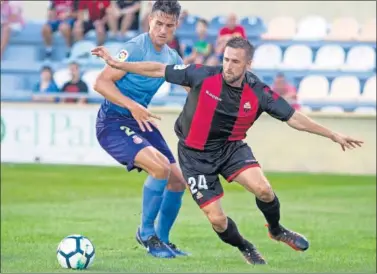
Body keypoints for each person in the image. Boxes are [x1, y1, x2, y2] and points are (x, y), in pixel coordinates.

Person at [91, 36, 364, 265]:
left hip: (231, 149)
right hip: (194, 156)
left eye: (235, 61)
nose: (228, 66)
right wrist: (119, 63)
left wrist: (332, 134)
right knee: (218, 220)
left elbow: (293, 117)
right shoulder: (202, 74)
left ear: (248, 64)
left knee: (265, 190)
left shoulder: (258, 91)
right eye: (226, 59)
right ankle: (244, 246)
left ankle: (277, 230)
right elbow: (157, 69)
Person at [93, 0, 188, 259]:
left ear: (175, 26)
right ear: (150, 21)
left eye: (169, 25)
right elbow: (100, 83)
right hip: (113, 121)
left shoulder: (172, 57)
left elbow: (193, 89)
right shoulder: (135, 47)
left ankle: (164, 240)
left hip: (140, 120)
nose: (162, 30)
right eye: (158, 23)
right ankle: (146, 234)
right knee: (160, 168)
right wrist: (132, 106)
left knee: (179, 180)